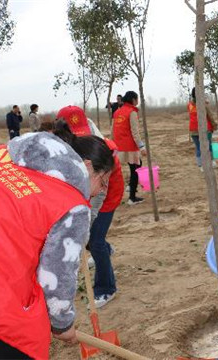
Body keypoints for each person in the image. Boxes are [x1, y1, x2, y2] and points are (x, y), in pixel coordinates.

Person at [0, 121, 114, 359]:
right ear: (87, 166)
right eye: (102, 182)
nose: (99, 192)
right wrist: (62, 323)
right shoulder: (70, 202)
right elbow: (55, 276)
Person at [57, 105, 124, 308]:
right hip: (88, 195)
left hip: (106, 195)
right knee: (94, 238)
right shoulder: (61, 151)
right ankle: (105, 248)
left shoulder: (101, 151)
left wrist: (83, 228)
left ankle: (106, 288)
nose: (82, 140)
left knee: (94, 240)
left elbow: (98, 197)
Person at [112, 90, 146, 205]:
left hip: (119, 146)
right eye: (137, 99)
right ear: (133, 100)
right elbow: (135, 132)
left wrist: (113, 145)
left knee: (134, 168)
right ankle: (132, 198)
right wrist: (142, 147)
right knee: (136, 169)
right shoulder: (132, 112)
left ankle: (130, 187)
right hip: (131, 147)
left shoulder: (117, 112)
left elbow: (113, 130)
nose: (138, 101)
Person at [188, 87, 218, 171]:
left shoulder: (189, 105)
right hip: (206, 129)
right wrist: (215, 126)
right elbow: (210, 116)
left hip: (193, 130)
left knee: (198, 147)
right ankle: (212, 161)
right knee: (209, 145)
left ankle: (201, 165)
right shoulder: (203, 104)